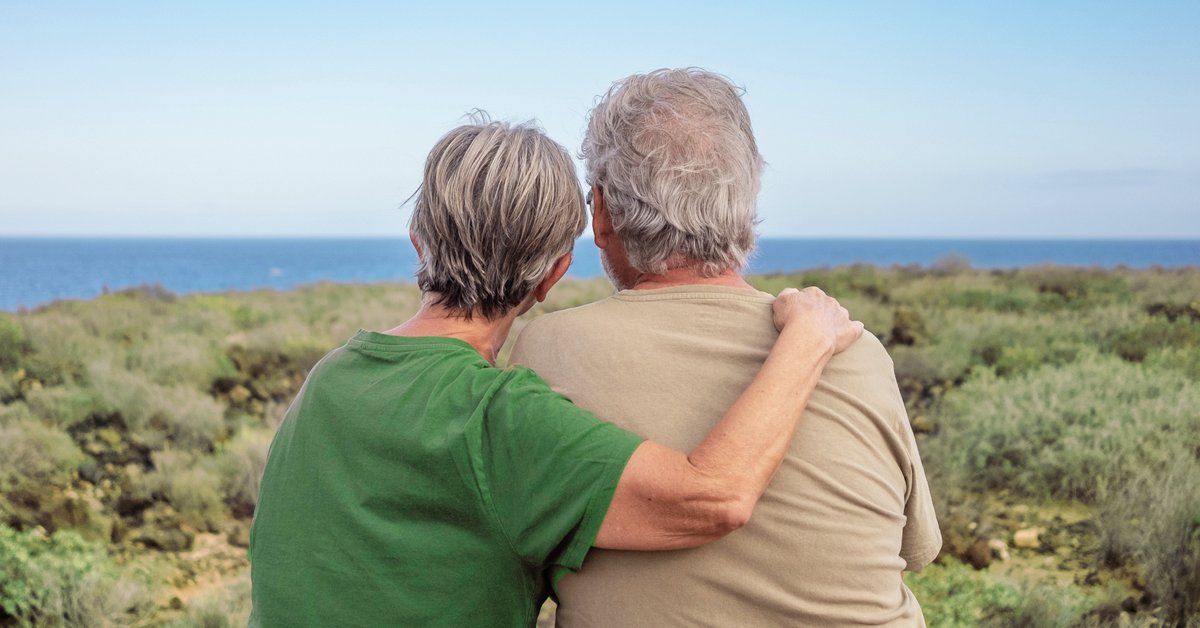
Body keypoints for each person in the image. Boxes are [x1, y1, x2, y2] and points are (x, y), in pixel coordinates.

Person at [248, 118, 863, 627]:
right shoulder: (497, 419)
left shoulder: (329, 378)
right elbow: (713, 498)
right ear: (553, 274)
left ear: (417, 242)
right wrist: (807, 339)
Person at [511, 68, 942, 627]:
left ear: (600, 212)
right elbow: (912, 554)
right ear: (745, 199)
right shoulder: (854, 349)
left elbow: (525, 557)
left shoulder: (549, 349)